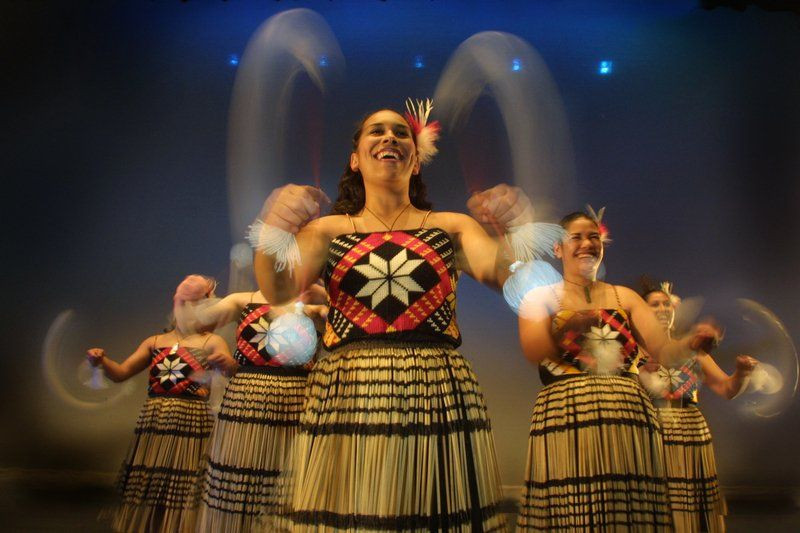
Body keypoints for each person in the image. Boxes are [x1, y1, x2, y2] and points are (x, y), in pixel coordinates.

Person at [250, 102, 548, 531]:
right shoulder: (327, 231)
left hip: (435, 391)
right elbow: (277, 289)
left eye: (400, 132)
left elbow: (506, 276)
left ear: (416, 157)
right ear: (355, 158)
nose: (389, 137)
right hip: (349, 392)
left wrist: (519, 230)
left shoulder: (451, 226)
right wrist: (272, 226)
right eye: (376, 131)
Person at [514, 212, 718, 531]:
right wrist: (569, 329)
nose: (587, 244)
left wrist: (692, 342)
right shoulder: (540, 297)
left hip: (626, 416)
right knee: (574, 515)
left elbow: (664, 350)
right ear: (557, 248)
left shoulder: (626, 297)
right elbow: (533, 347)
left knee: (627, 517)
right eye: (576, 237)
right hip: (567, 417)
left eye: (594, 237)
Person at [87, 275, 236, 533]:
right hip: (155, 421)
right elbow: (121, 373)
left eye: (195, 302)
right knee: (154, 482)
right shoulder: (155, 342)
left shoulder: (211, 342)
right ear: (175, 302)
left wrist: (226, 363)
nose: (187, 308)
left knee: (185, 481)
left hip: (191, 422)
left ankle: (181, 528)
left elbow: (231, 372)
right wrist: (101, 362)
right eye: (184, 301)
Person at [188, 284, 327, 532]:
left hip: (296, 398)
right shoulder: (242, 301)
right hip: (245, 399)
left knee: (287, 479)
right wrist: (191, 300)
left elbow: (343, 324)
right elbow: (199, 324)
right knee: (238, 475)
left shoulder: (314, 304)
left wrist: (324, 294)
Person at [639, 279, 758, 533]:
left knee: (690, 509)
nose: (662, 309)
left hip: (690, 434)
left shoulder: (695, 352)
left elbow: (727, 389)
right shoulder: (633, 353)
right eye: (654, 305)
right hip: (649, 436)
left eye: (666, 304)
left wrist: (742, 373)